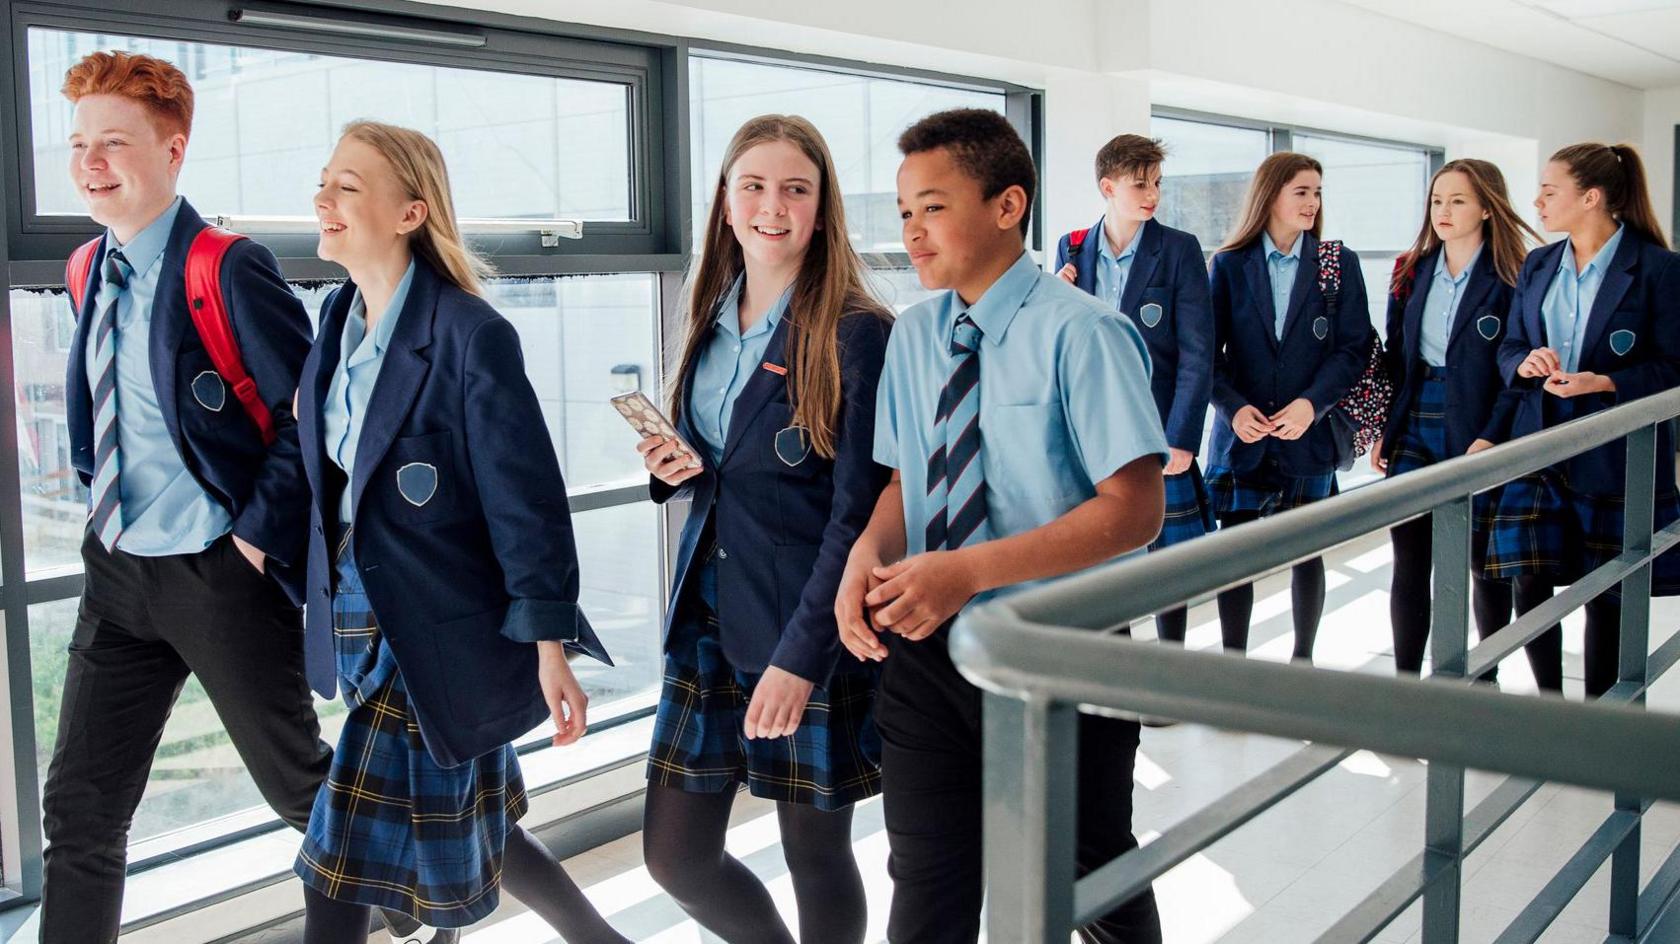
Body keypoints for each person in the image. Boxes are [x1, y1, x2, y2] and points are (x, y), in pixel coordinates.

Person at [291, 120, 627, 944]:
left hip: (436, 631)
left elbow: (528, 505)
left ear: (410, 212)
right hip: (361, 622)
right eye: (324, 180)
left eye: (347, 186)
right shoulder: (336, 321)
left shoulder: (471, 335)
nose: (322, 199)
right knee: (485, 823)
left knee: (332, 871)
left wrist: (550, 646)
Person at [837, 107, 1166, 944]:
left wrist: (972, 570)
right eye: (904, 210)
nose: (911, 231)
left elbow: (1135, 510)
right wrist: (866, 557)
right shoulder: (912, 337)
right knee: (926, 885)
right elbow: (910, 479)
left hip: (1062, 647)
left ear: (1008, 205)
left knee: (1091, 874)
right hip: (926, 653)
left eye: (933, 207)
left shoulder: (1085, 332)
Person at [39, 51, 329, 944]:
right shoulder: (89, 267)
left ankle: (413, 898)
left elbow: (303, 421)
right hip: (118, 573)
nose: (91, 162)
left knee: (299, 788)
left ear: (173, 151)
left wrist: (248, 540)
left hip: (216, 574)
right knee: (81, 810)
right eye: (80, 142)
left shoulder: (225, 266)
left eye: (114, 142)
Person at [635, 114, 892, 944]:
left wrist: (802, 660)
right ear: (725, 201)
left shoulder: (857, 332)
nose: (771, 205)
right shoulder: (707, 314)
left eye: (795, 188)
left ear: (822, 210)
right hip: (706, 621)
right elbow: (727, 467)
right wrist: (671, 467)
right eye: (753, 185)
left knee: (813, 853)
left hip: (802, 623)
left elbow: (858, 518)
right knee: (676, 857)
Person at [1487, 142, 1680, 698]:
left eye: (1550, 190)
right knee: (1528, 577)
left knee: (1608, 592)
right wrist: (1524, 361)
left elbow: (1673, 365)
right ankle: (1552, 704)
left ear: (1590, 197)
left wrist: (1606, 381)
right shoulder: (1538, 263)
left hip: (1615, 454)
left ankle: (1597, 715)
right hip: (1539, 445)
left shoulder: (1659, 270)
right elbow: (1512, 343)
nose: (1538, 202)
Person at [1374, 158, 1537, 678]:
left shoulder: (1515, 276)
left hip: (1481, 427)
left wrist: (1494, 436)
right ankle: (1406, 682)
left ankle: (1482, 679)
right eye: (1437, 200)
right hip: (1416, 420)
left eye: (1458, 200)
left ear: (1488, 207)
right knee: (1410, 558)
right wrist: (1386, 429)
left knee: (1482, 566)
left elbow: (1520, 370)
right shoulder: (1411, 269)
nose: (1443, 211)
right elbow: (1397, 361)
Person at [1206, 152, 1369, 660]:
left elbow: (1353, 349)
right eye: (1302, 191)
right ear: (1270, 195)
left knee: (1308, 553)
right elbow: (1206, 355)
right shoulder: (1230, 265)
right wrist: (1234, 409)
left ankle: (1303, 662)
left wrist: (1311, 406)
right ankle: (1234, 663)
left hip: (1308, 434)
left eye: (1317, 192)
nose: (1312, 202)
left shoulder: (1337, 263)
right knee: (1234, 557)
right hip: (1244, 438)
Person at [1054, 133, 1213, 645]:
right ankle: (1117, 676)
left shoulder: (1179, 249)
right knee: (1103, 553)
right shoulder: (1073, 246)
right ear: (1108, 186)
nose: (1152, 195)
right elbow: (1064, 341)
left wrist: (1183, 436)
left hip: (1157, 423)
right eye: (1140, 183)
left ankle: (1168, 669)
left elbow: (1197, 352)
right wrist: (1055, 296)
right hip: (1091, 425)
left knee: (1169, 560)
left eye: (1157, 184)